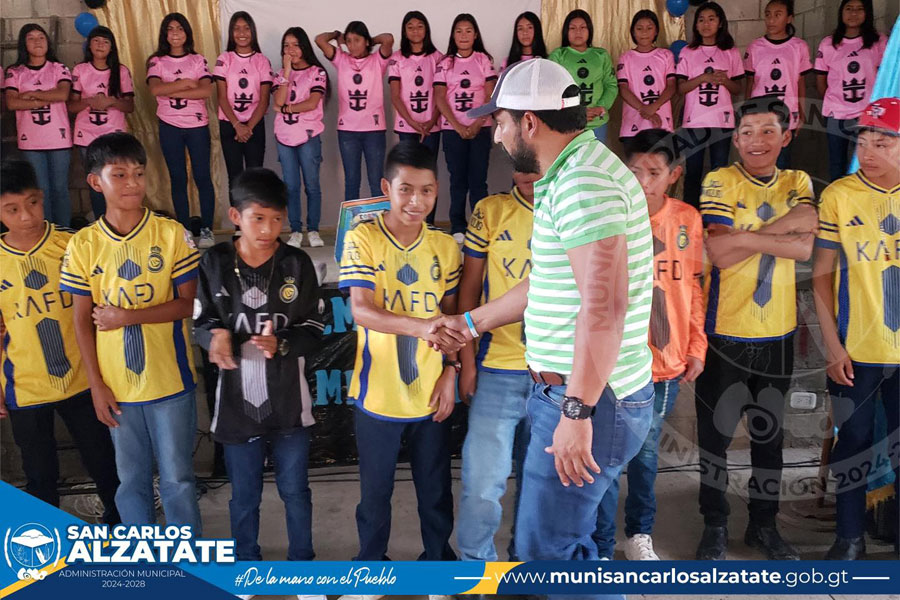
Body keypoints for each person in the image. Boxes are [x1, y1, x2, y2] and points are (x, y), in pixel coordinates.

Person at [435, 59, 654, 600]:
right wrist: (471, 322)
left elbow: (604, 309)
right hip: (578, 394)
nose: (496, 134)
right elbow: (550, 282)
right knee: (559, 549)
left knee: (548, 556)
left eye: (500, 122)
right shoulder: (571, 173)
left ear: (529, 122)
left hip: (590, 400)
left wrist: (577, 412)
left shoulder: (582, 183)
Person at [695, 97, 816, 561]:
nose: (756, 141)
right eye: (746, 132)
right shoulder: (719, 180)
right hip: (725, 331)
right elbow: (718, 254)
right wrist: (777, 236)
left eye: (768, 131)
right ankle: (715, 522)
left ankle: (764, 524)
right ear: (735, 138)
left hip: (777, 333)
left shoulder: (797, 181)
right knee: (715, 438)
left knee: (769, 438)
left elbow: (805, 246)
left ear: (787, 136)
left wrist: (743, 237)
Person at [61, 132, 201, 531]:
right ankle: (142, 557)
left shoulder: (171, 234)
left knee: (177, 479)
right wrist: (95, 385)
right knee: (131, 480)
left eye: (138, 173)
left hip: (169, 380)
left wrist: (127, 317)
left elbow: (187, 305)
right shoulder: (83, 244)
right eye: (119, 175)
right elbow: (80, 321)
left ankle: (188, 557)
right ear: (95, 182)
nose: (132, 183)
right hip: (117, 387)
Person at [195, 168, 325, 579]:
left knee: (295, 491)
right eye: (258, 218)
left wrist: (281, 343)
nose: (268, 229)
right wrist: (215, 335)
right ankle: (246, 564)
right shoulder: (215, 262)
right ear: (235, 216)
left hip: (289, 404)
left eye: (277, 219)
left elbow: (315, 327)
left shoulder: (296, 263)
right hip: (236, 406)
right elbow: (201, 320)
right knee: (244, 496)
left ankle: (302, 567)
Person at [338, 143, 461, 570]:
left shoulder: (445, 247)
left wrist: (452, 370)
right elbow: (361, 310)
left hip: (430, 395)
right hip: (378, 394)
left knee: (436, 491)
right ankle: (371, 568)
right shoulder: (363, 237)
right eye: (405, 189)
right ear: (386, 188)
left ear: (437, 191)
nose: (416, 201)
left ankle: (438, 567)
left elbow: (453, 319)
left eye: (426, 191)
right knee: (375, 494)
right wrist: (421, 327)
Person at [593, 130, 706, 561]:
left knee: (644, 454)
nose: (642, 181)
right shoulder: (610, 217)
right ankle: (601, 543)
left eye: (654, 172)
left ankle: (639, 534)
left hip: (665, 361)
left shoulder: (687, 219)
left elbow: (692, 286)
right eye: (634, 171)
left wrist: (696, 345)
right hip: (615, 361)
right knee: (605, 456)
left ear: (674, 175)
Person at [0, 158, 120, 525]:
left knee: (104, 464)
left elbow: (100, 309)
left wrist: (104, 378)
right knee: (39, 475)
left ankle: (119, 532)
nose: (26, 216)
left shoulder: (73, 244)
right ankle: (45, 544)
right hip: (25, 387)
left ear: (43, 197)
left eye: (33, 202)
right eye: (12, 209)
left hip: (83, 380)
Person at [811, 97, 900, 561]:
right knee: (853, 443)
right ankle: (848, 538)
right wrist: (831, 345)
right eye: (863, 141)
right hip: (856, 350)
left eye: (882, 143)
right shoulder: (839, 195)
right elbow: (820, 277)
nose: (868, 151)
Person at [456, 169, 538, 561]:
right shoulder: (491, 210)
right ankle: (476, 573)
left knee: (539, 487)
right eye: (518, 164)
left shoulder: (571, 212)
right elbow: (468, 292)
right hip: (496, 369)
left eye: (534, 163)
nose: (526, 174)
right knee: (482, 486)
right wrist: (467, 362)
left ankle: (526, 568)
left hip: (554, 377)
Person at [146, 12, 216, 249]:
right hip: (170, 126)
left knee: (202, 176)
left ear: (187, 33)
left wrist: (170, 89)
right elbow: (155, 89)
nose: (175, 33)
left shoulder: (197, 60)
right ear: (164, 34)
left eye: (180, 28)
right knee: (178, 178)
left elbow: (205, 91)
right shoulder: (157, 61)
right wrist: (185, 84)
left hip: (197, 125)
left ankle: (206, 228)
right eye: (170, 29)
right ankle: (184, 229)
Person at [435, 14, 497, 243]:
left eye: (468, 31)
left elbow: (490, 95)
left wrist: (476, 123)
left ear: (476, 35)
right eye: (459, 31)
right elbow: (440, 97)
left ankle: (481, 226)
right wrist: (458, 126)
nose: (463, 35)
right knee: (457, 180)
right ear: (453, 35)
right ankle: (458, 225)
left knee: (478, 180)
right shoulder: (445, 63)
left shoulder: (483, 60)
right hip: (453, 130)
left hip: (481, 128)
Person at [3, 24, 73, 226]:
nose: (37, 42)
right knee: (41, 190)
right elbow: (12, 102)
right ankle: (47, 232)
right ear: (24, 44)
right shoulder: (15, 72)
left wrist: (31, 95)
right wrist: (43, 100)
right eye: (31, 38)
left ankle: (65, 232)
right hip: (31, 140)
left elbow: (62, 94)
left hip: (59, 138)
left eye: (41, 37)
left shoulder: (58, 68)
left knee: (60, 188)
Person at [676, 1, 744, 208]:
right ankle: (691, 216)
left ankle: (716, 216)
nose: (706, 24)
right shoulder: (688, 52)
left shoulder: (730, 52)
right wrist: (702, 79)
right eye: (701, 20)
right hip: (694, 121)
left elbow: (738, 89)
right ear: (695, 25)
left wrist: (725, 81)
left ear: (720, 23)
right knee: (693, 172)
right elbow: (681, 88)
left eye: (711, 19)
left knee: (719, 172)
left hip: (721, 121)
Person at [316, 22, 394, 203]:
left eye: (357, 40)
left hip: (374, 130)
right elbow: (320, 40)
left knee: (376, 181)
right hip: (347, 131)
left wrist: (370, 40)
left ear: (366, 42)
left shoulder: (377, 60)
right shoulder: (341, 59)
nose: (352, 45)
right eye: (349, 41)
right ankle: (352, 220)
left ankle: (380, 219)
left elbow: (388, 39)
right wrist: (336, 35)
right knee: (352, 181)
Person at [814, 0, 886, 181]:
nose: (853, 13)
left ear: (867, 13)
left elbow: (884, 76)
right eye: (849, 9)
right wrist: (834, 102)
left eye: (859, 9)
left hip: (867, 115)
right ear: (841, 12)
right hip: (836, 114)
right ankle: (837, 198)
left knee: (864, 163)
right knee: (836, 163)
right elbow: (821, 80)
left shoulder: (878, 41)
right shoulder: (828, 43)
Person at [68, 26, 135, 219]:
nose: (100, 45)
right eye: (96, 41)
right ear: (89, 45)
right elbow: (71, 106)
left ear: (112, 47)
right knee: (95, 182)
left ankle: (119, 220)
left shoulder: (121, 71)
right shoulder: (80, 70)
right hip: (87, 136)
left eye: (106, 42)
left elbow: (130, 106)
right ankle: (100, 221)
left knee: (117, 179)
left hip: (114, 135)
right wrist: (90, 101)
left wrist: (110, 102)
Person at [273, 27, 328, 249]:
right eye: (286, 45)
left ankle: (313, 229)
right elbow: (277, 101)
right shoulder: (280, 74)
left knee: (312, 185)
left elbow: (312, 103)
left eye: (295, 45)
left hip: (308, 135)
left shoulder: (317, 72)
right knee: (291, 186)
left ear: (304, 46)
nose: (291, 50)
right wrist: (286, 72)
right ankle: (295, 230)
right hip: (284, 137)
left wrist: (286, 109)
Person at [388, 11, 442, 224]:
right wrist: (413, 123)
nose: (415, 31)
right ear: (404, 31)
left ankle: (429, 223)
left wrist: (431, 120)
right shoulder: (397, 58)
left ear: (426, 29)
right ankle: (408, 221)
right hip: (406, 126)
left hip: (432, 127)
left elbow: (441, 95)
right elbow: (395, 96)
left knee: (428, 175)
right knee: (406, 175)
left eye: (420, 26)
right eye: (410, 27)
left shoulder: (438, 58)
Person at [743, 0, 812, 169]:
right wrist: (746, 112)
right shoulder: (755, 47)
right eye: (768, 15)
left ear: (789, 18)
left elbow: (800, 83)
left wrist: (802, 113)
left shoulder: (798, 47)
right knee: (759, 162)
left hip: (786, 115)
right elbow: (750, 83)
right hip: (759, 115)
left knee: (782, 164)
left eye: (777, 15)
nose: (771, 20)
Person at [214, 12, 273, 204]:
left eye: (246, 28)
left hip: (254, 125)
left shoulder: (262, 61)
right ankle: (239, 220)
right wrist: (237, 125)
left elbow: (264, 100)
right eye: (237, 28)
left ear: (253, 31)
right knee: (235, 177)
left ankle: (254, 218)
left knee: (255, 177)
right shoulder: (224, 59)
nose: (242, 33)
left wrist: (248, 127)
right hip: (229, 124)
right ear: (231, 32)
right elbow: (222, 97)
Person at [548, 9, 617, 140]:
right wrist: (576, 112)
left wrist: (601, 107)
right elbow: (552, 88)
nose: (578, 32)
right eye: (572, 28)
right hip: (568, 122)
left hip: (597, 122)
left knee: (596, 153)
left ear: (589, 30)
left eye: (583, 27)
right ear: (566, 31)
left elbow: (611, 85)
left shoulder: (601, 55)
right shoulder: (558, 55)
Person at [617, 10, 677, 140]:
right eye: (639, 28)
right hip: (632, 127)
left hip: (662, 124)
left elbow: (671, 86)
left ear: (656, 31)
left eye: (649, 28)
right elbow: (623, 89)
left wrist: (654, 107)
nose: (644, 32)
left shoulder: (666, 55)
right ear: (633, 32)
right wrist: (644, 109)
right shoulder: (625, 58)